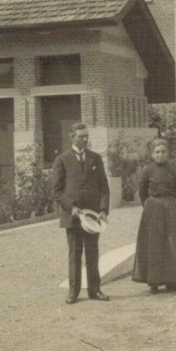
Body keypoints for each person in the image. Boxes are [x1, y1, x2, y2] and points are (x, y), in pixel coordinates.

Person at [52, 123, 111, 304]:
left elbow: (104, 187)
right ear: (72, 138)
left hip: (92, 217)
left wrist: (102, 210)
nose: (85, 139)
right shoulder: (62, 160)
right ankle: (74, 292)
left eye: (86, 136)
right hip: (73, 216)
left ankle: (95, 290)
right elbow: (57, 191)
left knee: (92, 253)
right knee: (75, 254)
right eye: (81, 136)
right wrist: (71, 207)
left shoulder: (95, 158)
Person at [132, 138, 176, 293]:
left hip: (170, 207)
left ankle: (172, 281)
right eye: (157, 152)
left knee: (172, 242)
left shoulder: (173, 168)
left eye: (163, 152)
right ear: (152, 154)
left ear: (168, 153)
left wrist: (170, 201)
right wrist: (148, 205)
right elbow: (142, 191)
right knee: (155, 243)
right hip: (153, 209)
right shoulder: (147, 170)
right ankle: (154, 281)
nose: (160, 155)